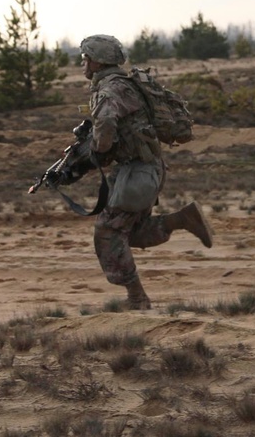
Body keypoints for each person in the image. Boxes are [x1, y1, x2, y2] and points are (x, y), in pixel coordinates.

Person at [76, 34, 212, 310]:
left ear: (97, 61)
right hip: (146, 170)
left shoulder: (110, 90)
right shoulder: (127, 84)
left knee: (108, 233)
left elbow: (104, 126)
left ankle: (137, 298)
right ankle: (183, 219)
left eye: (85, 58)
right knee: (131, 231)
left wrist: (97, 152)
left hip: (137, 174)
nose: (83, 64)